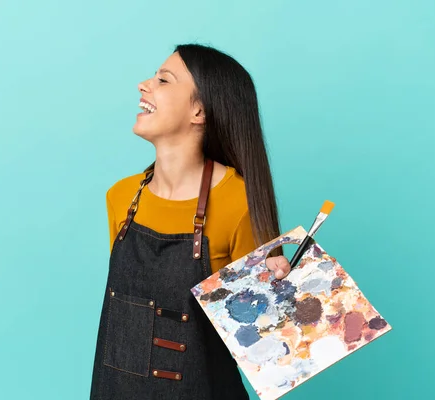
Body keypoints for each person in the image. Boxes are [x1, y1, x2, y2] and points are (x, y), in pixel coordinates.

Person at [90, 43, 292, 400]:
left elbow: (266, 345)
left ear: (199, 110)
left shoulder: (239, 203)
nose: (144, 84)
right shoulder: (120, 198)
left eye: (163, 80)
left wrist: (282, 292)